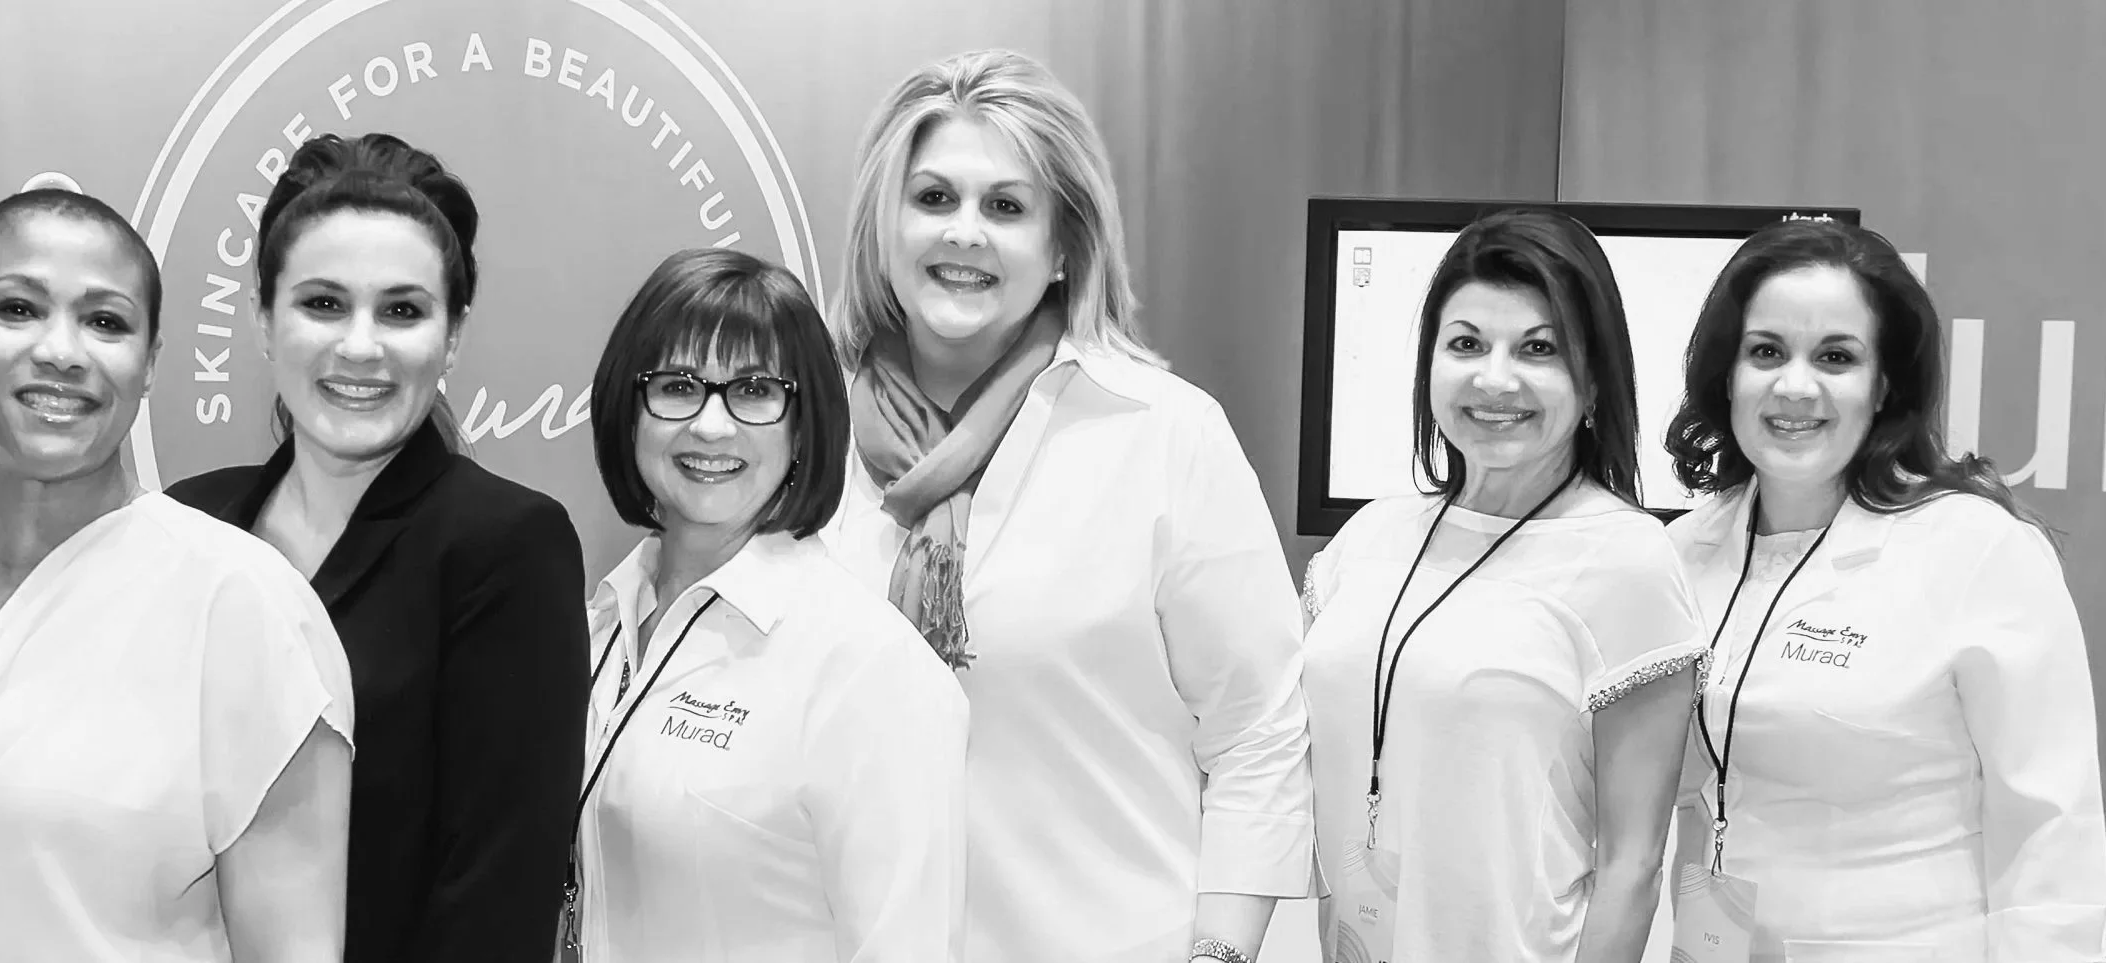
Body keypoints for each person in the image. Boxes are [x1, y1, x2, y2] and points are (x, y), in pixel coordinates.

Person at [822, 49, 1310, 963]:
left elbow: (1262, 730)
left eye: (1005, 207)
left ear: (1062, 246)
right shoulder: (803, 440)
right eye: (932, 198)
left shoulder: (1163, 432)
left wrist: (1223, 954)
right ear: (881, 226)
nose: (964, 232)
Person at [0, 189, 353, 962]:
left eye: (106, 321)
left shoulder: (239, 607)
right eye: (18, 309)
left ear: (151, 363)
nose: (63, 351)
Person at [166, 132, 589, 961]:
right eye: (323, 303)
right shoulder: (188, 525)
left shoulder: (507, 548)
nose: (360, 346)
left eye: (402, 309)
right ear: (262, 317)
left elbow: (496, 904)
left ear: (454, 335)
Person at [1661, 218, 2106, 961]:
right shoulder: (1680, 553)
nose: (1794, 385)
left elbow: (2048, 826)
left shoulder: (1976, 549)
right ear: (1726, 374)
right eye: (1766, 351)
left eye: (1836, 356)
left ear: (1884, 385)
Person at [1301, 209, 1699, 963]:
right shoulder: (1369, 539)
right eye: (1466, 343)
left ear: (1591, 384)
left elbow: (1632, 863)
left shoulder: (1628, 561)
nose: (1495, 378)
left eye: (1539, 348)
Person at [565, 247, 967, 961]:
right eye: (679, 385)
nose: (712, 426)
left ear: (802, 427)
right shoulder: (598, 621)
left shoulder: (868, 667)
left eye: (753, 391)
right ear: (629, 414)